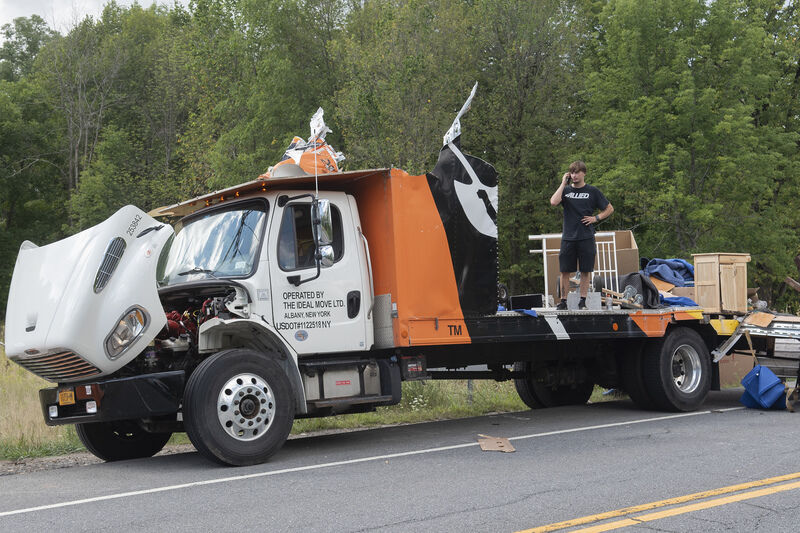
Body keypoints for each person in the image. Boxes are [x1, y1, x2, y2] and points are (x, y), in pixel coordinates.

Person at [549, 161, 614, 310]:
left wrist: (595, 218)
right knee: (565, 270)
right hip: (568, 237)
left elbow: (609, 208)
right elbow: (553, 202)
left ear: (584, 173)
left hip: (586, 236)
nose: (574, 175)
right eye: (572, 172)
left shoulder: (593, 191)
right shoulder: (565, 191)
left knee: (585, 270)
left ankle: (582, 301)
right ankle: (563, 301)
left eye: (577, 172)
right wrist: (562, 183)